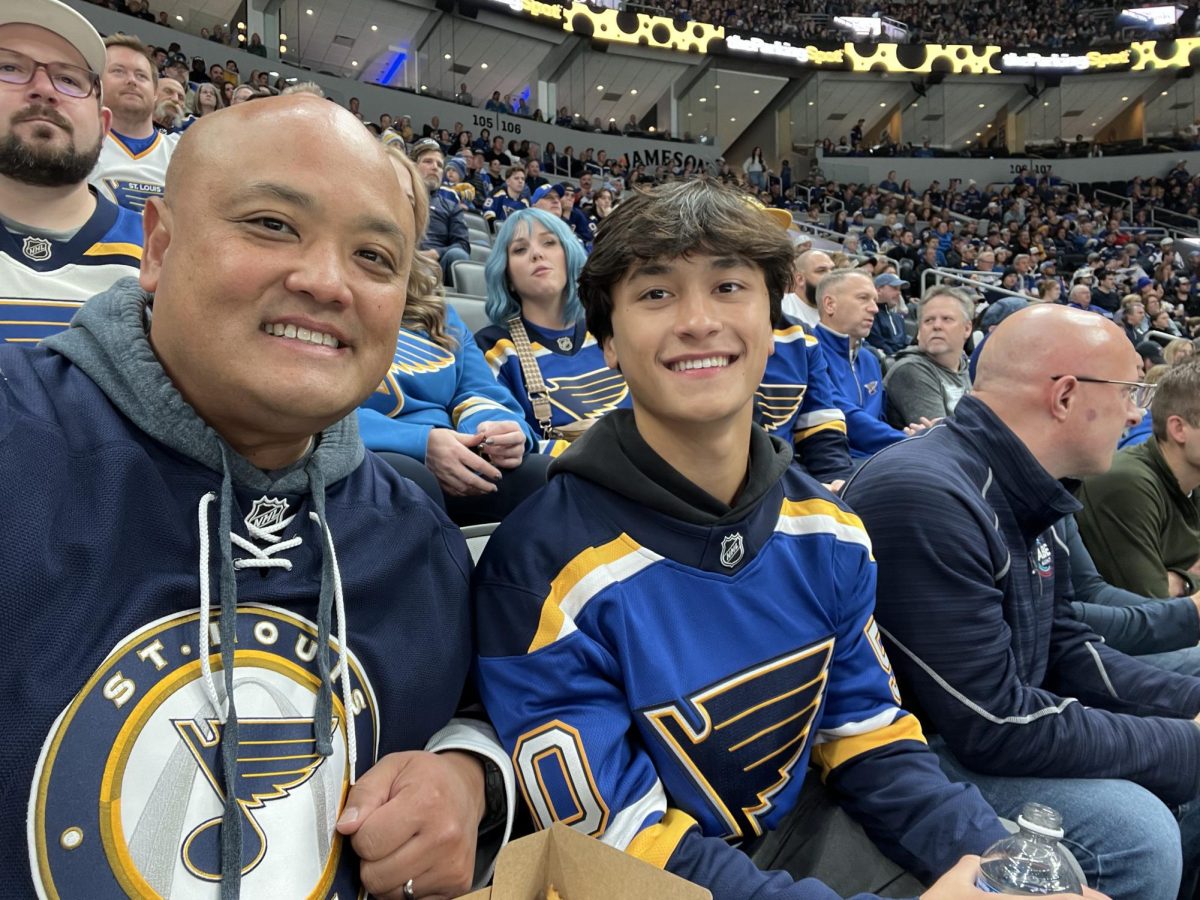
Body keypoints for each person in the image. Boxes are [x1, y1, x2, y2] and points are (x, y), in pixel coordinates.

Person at [4, 92, 515, 898]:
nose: (326, 282)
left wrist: (466, 778)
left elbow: (474, 714)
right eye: (273, 225)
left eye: (374, 258)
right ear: (160, 246)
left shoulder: (416, 532)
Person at [472, 180, 1042, 900]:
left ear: (773, 326)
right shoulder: (539, 569)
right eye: (656, 294)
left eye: (729, 286)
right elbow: (618, 849)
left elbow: (868, 736)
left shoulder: (831, 530)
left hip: (813, 836)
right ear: (608, 343)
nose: (698, 321)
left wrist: (997, 865)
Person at [843, 305, 1200, 900]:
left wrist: (1190, 707)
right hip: (913, 752)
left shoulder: (1030, 486)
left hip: (979, 725)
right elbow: (990, 723)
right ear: (1064, 396)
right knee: (1136, 833)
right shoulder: (926, 494)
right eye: (1131, 389)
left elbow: (1066, 647)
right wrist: (1184, 741)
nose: (1139, 412)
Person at [358, 148, 548, 524]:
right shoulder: (323, 292)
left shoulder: (439, 310)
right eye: (381, 193)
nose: (395, 213)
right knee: (409, 480)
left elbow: (479, 390)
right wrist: (419, 444)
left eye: (408, 203)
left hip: (460, 453)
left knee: (545, 479)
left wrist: (496, 431)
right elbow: (301, 408)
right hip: (373, 457)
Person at [0, 0, 143, 345]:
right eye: (9, 67)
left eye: (68, 78)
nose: (44, 89)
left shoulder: (164, 257)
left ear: (103, 125)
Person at [476, 208, 629, 451]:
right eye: (520, 249)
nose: (536, 254)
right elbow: (509, 447)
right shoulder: (493, 347)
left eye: (549, 242)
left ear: (568, 255)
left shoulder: (611, 326)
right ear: (506, 276)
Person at [1076, 358, 1200, 599]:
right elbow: (1153, 608)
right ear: (1178, 429)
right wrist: (1190, 580)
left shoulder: (1193, 477)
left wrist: (1177, 581)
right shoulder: (1126, 482)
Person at [813, 269, 920, 459]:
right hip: (835, 465)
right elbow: (845, 417)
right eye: (863, 298)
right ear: (830, 305)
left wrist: (915, 434)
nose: (875, 308)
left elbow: (879, 419)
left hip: (876, 458)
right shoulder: (808, 352)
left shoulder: (870, 360)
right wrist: (908, 441)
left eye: (874, 299)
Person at [91, 34, 178, 213]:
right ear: (95, 84)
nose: (132, 80)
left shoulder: (182, 151)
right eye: (118, 71)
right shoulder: (75, 145)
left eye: (141, 75)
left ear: (155, 92)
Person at [884, 286, 973, 428]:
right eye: (929, 320)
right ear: (919, 332)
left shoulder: (966, 368)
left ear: (967, 329)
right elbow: (942, 439)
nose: (937, 326)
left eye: (947, 319)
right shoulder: (911, 369)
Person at [410, 137, 470, 284]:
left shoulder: (451, 206)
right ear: (412, 166)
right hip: (403, 261)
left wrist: (435, 253)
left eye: (439, 164)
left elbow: (462, 244)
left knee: (458, 254)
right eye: (428, 161)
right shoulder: (398, 197)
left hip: (436, 266)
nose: (435, 167)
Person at [781, 247, 833, 328]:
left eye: (833, 269)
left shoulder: (839, 313)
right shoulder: (780, 307)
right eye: (821, 270)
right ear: (800, 279)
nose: (831, 276)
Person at [866, 272, 909, 356]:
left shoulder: (898, 318)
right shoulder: (871, 314)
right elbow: (877, 342)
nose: (899, 293)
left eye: (899, 289)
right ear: (878, 290)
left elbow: (904, 342)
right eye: (894, 288)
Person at [481, 163, 527, 228]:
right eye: (516, 178)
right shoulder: (498, 194)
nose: (520, 181)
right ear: (507, 181)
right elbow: (487, 213)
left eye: (523, 179)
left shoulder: (525, 202)